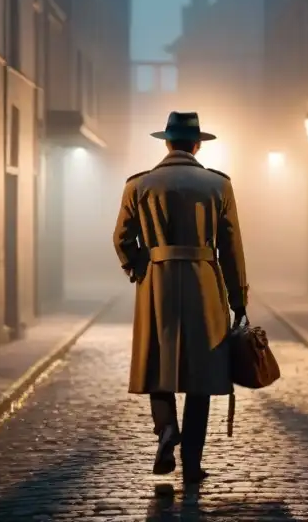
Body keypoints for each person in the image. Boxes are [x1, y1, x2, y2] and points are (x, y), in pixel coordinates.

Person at [112, 111, 249, 485]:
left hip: (157, 280)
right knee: (200, 376)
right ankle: (191, 464)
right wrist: (239, 300)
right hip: (204, 280)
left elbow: (122, 239)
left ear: (167, 143)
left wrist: (142, 267)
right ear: (197, 144)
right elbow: (231, 247)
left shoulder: (138, 185)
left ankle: (166, 430)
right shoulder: (218, 185)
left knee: (158, 361)